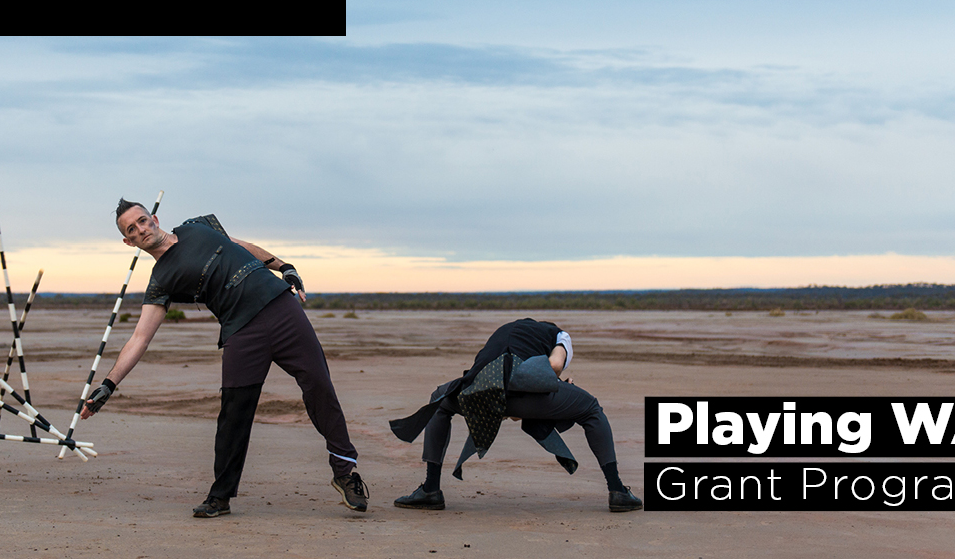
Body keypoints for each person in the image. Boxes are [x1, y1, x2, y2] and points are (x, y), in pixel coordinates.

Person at [81, 199, 368, 517]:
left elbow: (240, 245)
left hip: (280, 308)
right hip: (242, 333)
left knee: (319, 386)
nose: (141, 229)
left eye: (143, 221)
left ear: (155, 219)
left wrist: (285, 267)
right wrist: (109, 384)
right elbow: (140, 337)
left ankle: (345, 473)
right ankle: (220, 496)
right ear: (128, 241)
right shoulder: (161, 279)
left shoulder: (197, 226)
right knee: (233, 413)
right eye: (132, 229)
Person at [388, 318, 642, 512]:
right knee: (591, 409)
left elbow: (495, 380)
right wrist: (560, 383)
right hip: (523, 390)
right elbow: (553, 366)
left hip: (479, 389)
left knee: (440, 400)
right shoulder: (561, 336)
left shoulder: (503, 332)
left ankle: (431, 489)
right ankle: (617, 490)